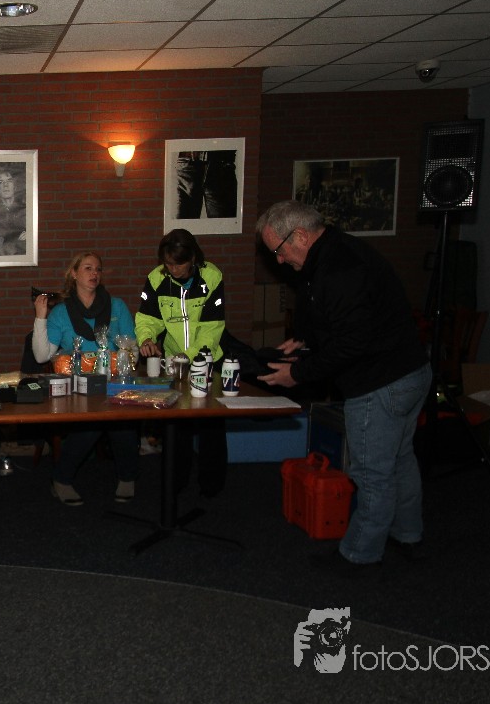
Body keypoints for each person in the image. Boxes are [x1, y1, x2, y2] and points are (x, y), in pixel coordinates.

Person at [255, 200, 431, 571]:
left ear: (300, 235)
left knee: (371, 473)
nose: (280, 260)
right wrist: (306, 341)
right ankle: (407, 534)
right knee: (400, 460)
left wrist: (297, 375)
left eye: (279, 250)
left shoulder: (339, 269)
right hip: (411, 371)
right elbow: (341, 318)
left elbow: (352, 344)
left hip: (379, 382)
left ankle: (360, 554)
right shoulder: (337, 251)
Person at [30, 252, 140, 505]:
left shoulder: (117, 306)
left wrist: (118, 360)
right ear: (74, 274)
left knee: (122, 421)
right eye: (88, 268)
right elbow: (41, 355)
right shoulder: (61, 312)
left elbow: (132, 348)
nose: (94, 274)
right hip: (78, 385)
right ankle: (61, 479)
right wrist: (40, 317)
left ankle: (127, 478)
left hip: (113, 380)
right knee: (92, 421)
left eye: (98, 269)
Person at [135, 228, 230, 497]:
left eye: (178, 264)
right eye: (167, 264)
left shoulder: (212, 276)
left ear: (193, 259)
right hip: (173, 363)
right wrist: (146, 338)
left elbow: (212, 328)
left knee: (212, 423)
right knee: (177, 424)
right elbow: (148, 318)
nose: (172, 269)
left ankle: (211, 487)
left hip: (207, 361)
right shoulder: (156, 278)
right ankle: (175, 484)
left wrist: (189, 357)